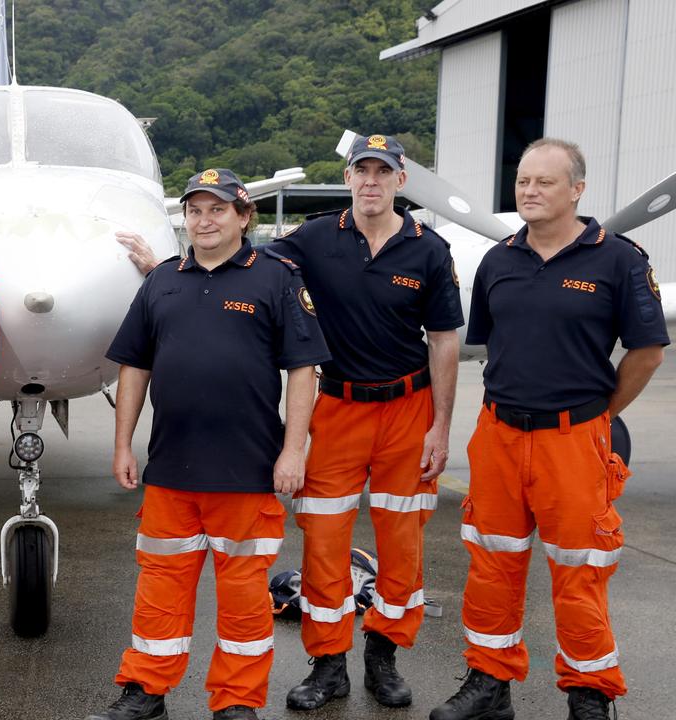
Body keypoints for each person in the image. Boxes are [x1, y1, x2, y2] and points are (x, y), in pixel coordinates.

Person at [121, 136, 464, 711]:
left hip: (410, 409)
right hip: (337, 406)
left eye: (384, 171)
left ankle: (383, 653)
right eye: (362, 171)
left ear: (401, 181)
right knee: (324, 542)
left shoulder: (430, 249)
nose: (371, 181)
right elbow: (230, 268)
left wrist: (442, 427)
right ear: (349, 178)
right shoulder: (312, 237)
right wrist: (162, 272)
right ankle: (329, 664)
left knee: (403, 541)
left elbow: (446, 341)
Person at [430, 139, 667, 720]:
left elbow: (647, 351)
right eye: (522, 182)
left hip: (575, 438)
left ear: (577, 191)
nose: (529, 192)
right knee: (491, 564)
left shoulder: (620, 259)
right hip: (500, 435)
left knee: (581, 570)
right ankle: (489, 683)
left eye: (544, 182)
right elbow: (487, 341)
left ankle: (590, 695)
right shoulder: (499, 260)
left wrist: (601, 417)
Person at [87, 169, 329, 720]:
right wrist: (123, 444)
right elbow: (134, 367)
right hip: (171, 469)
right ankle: (146, 691)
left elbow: (302, 369)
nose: (205, 220)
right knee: (158, 594)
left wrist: (294, 450)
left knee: (245, 601)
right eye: (195, 210)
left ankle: (238, 702)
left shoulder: (278, 277)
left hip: (246, 469)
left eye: (218, 210)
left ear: (244, 217)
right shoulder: (162, 280)